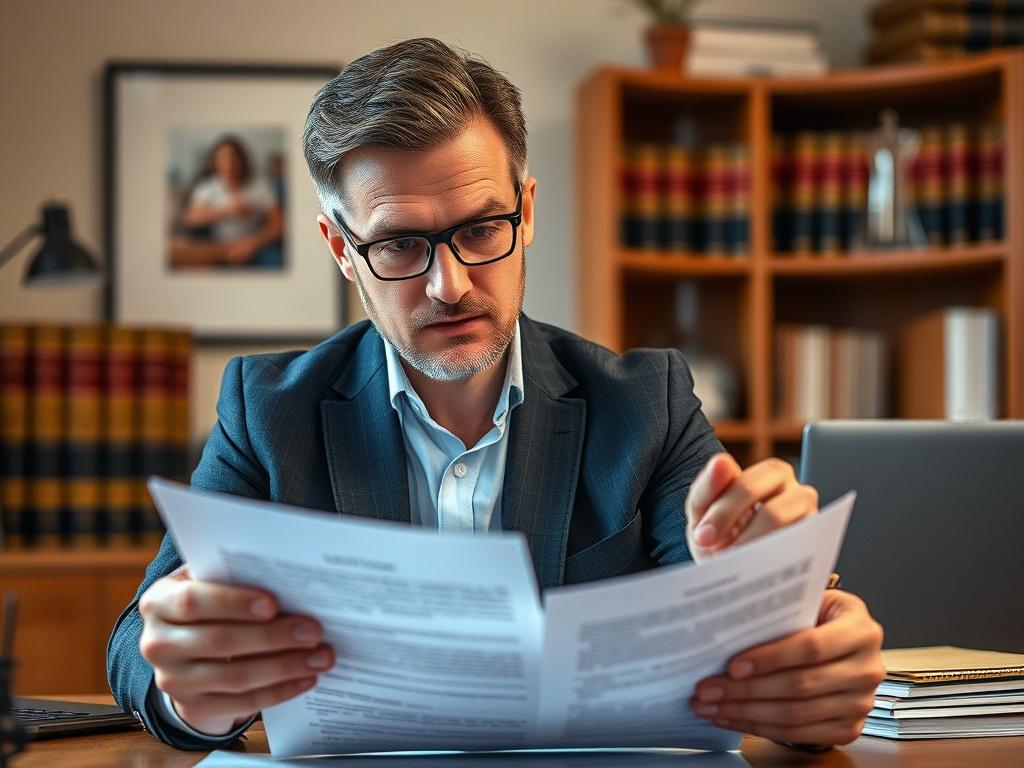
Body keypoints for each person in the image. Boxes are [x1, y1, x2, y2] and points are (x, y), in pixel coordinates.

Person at [108, 38, 884, 752]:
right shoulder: (268, 410)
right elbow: (138, 645)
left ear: (529, 210)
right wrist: (196, 698)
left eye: (483, 229)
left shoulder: (647, 405)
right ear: (343, 251)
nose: (450, 285)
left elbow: (747, 636)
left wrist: (789, 620)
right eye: (401, 244)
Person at [170, 135, 284, 269]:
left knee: (275, 260)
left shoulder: (260, 185)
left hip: (256, 244)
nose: (229, 164)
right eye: (222, 158)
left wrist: (251, 244)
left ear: (242, 160)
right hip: (218, 245)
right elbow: (191, 218)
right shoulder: (207, 187)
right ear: (215, 162)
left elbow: (278, 224)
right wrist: (227, 210)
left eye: (233, 158)